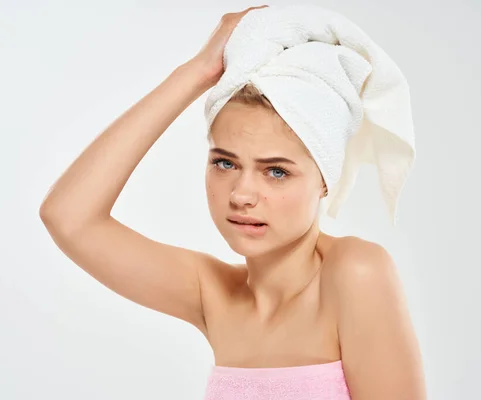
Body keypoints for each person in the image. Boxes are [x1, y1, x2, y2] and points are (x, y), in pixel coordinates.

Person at [39, 5, 426, 399]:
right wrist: (197, 73)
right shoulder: (213, 295)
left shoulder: (355, 272)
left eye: (276, 171)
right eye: (225, 162)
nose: (241, 195)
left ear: (325, 180)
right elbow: (68, 217)